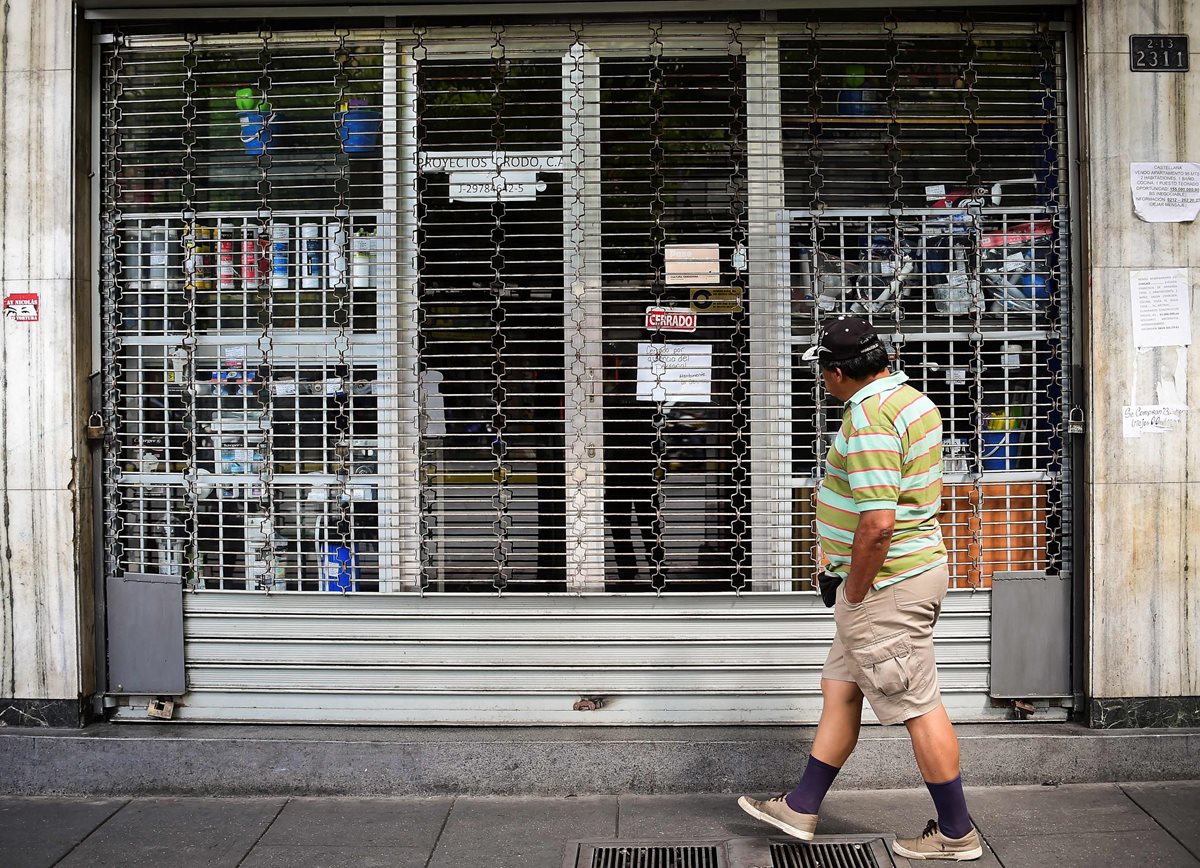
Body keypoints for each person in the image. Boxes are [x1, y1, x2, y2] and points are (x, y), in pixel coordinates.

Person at [738, 315, 982, 862]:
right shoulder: (911, 400)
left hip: (884, 585)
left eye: (823, 370)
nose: (821, 381)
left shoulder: (870, 419)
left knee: (918, 704)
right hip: (903, 575)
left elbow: (878, 523)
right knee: (840, 688)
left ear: (839, 371)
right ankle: (801, 806)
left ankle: (956, 831)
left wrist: (854, 590)